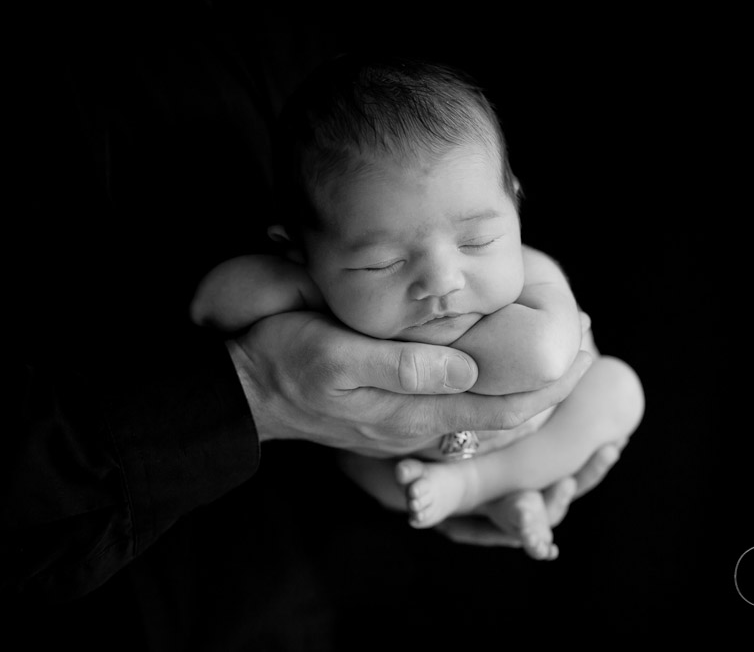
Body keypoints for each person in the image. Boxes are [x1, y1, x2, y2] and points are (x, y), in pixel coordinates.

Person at [190, 55, 645, 560]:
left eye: (476, 240)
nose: (442, 282)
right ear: (301, 250)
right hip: (403, 471)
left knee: (618, 390)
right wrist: (301, 279)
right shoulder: (322, 279)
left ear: (514, 204)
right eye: (383, 263)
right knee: (359, 468)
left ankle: (483, 486)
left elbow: (543, 359)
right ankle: (499, 501)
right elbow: (211, 306)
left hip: (542, 437)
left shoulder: (531, 273)